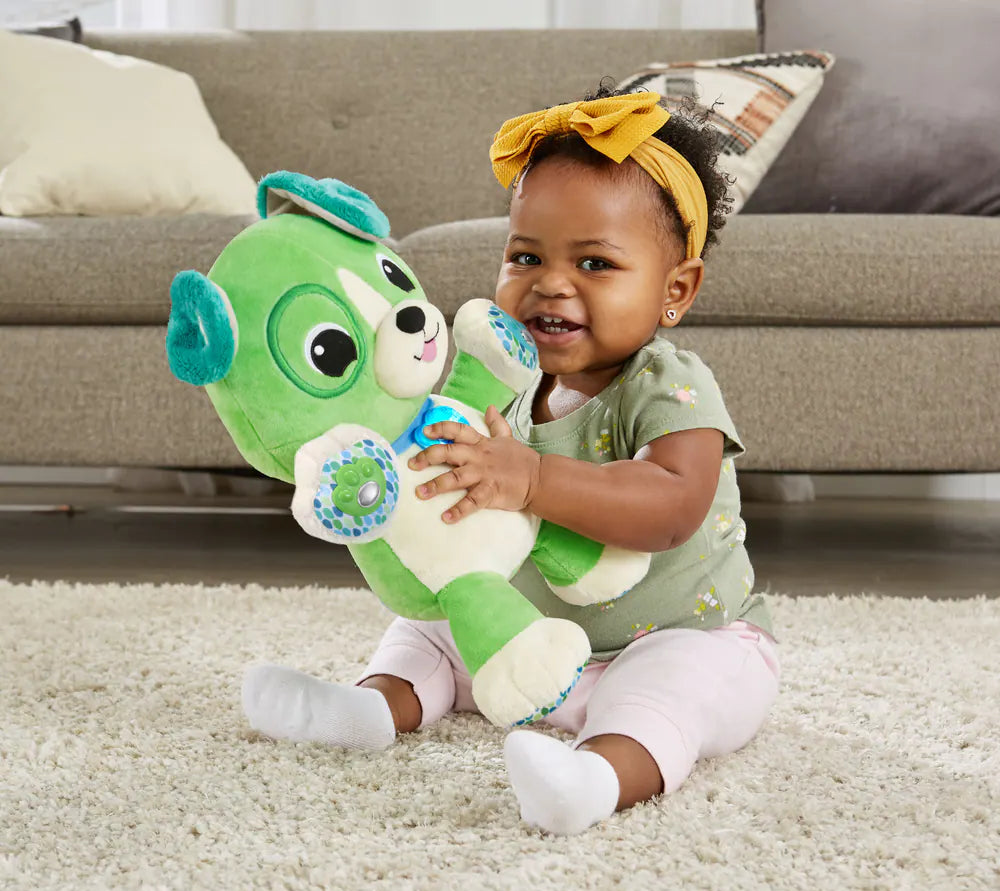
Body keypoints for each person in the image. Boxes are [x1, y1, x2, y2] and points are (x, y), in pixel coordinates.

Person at [243, 85, 779, 835]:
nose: (550, 282)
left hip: (680, 638)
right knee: (430, 630)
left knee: (670, 692)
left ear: (675, 290)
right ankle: (369, 707)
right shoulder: (504, 381)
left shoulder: (668, 384)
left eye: (595, 262)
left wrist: (530, 477)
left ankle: (594, 778)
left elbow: (672, 506)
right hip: (532, 641)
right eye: (526, 256)